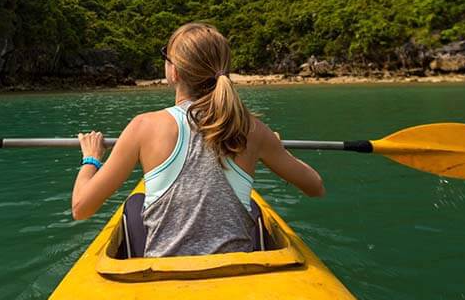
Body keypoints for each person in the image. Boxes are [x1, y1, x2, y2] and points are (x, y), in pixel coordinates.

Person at [71, 21, 324, 257]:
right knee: (254, 211)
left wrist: (91, 159)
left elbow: (81, 208)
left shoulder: (143, 127)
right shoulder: (253, 129)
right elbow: (315, 186)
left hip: (167, 277)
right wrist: (275, 147)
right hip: (239, 278)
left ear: (175, 71)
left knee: (135, 206)